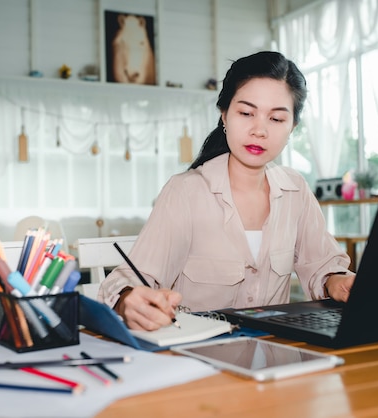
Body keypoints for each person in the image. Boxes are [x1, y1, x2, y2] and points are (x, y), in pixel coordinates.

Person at [97, 51, 356, 331]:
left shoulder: (295, 190)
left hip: (275, 355)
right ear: (224, 115)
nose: (259, 130)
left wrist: (338, 282)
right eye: (246, 113)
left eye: (277, 119)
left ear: (292, 127)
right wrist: (128, 300)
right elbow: (128, 281)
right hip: (198, 357)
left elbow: (321, 264)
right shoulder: (185, 192)